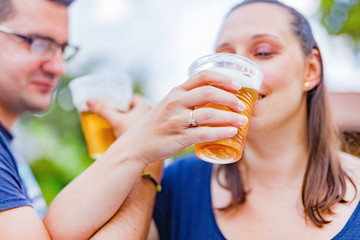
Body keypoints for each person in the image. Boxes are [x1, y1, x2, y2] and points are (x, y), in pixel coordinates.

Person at [0, 0, 248, 239]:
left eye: (63, 49)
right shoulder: (186, 183)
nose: (58, 68)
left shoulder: (8, 147)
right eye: (39, 44)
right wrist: (145, 159)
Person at [124, 0, 359, 239]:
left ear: (310, 70)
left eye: (263, 52)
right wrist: (142, 162)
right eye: (225, 60)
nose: (237, 73)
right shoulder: (178, 185)